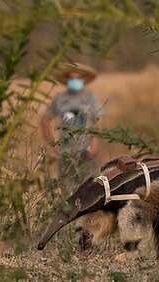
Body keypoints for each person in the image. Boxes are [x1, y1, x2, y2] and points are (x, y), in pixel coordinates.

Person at [40, 63, 102, 192]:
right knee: (66, 189)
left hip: (86, 152)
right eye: (72, 78)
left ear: (83, 80)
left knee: (90, 187)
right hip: (66, 152)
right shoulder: (59, 98)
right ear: (67, 80)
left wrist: (94, 145)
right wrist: (51, 145)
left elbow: (98, 121)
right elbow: (45, 120)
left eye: (78, 78)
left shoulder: (90, 97)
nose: (75, 81)